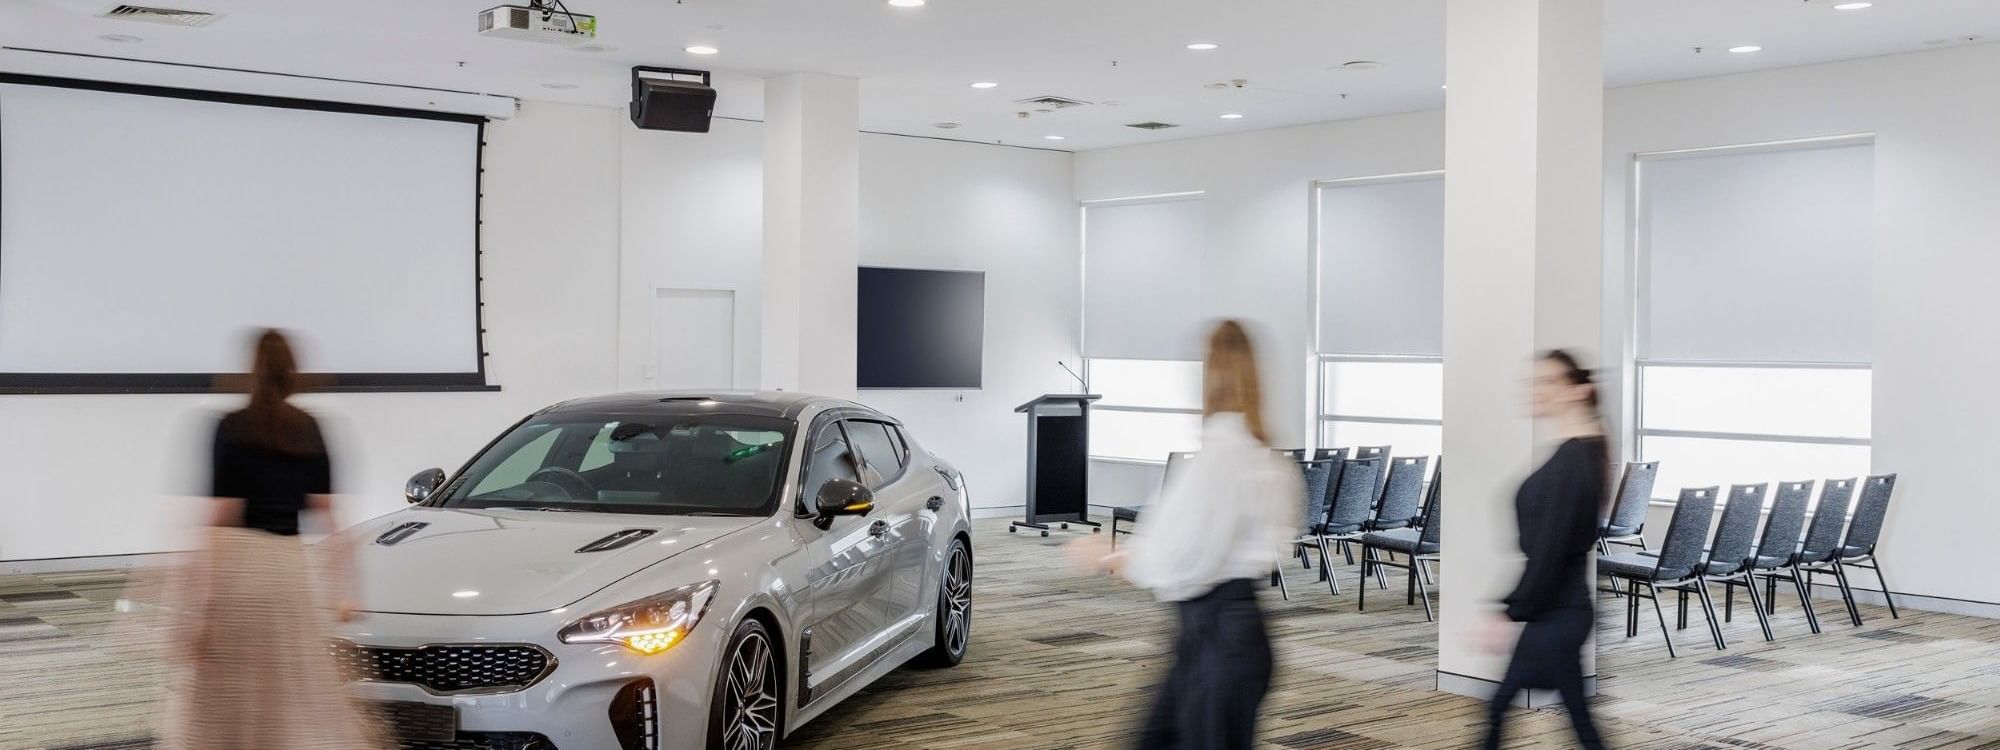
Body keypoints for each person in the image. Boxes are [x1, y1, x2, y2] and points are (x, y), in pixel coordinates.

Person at [1070, 320, 1303, 750]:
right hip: (1222, 638)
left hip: (1219, 643)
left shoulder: (1219, 459)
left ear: (1211, 377)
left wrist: (1110, 557)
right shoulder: (1267, 458)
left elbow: (1185, 554)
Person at [161, 329, 383, 750]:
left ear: (252, 371)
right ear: (292, 373)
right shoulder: (310, 429)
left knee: (229, 694)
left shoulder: (229, 427)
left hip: (239, 570)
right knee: (289, 694)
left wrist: (193, 612)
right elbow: (331, 519)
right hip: (286, 572)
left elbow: (219, 519)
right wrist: (345, 591)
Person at [1480, 349, 1610, 750]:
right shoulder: (1581, 451)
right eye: (1533, 382)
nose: (1537, 390)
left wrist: (1509, 611)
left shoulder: (1573, 460)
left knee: (1500, 711)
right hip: (1559, 608)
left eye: (1549, 381)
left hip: (1558, 613)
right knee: (1574, 717)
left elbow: (1550, 551)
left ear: (1578, 391)